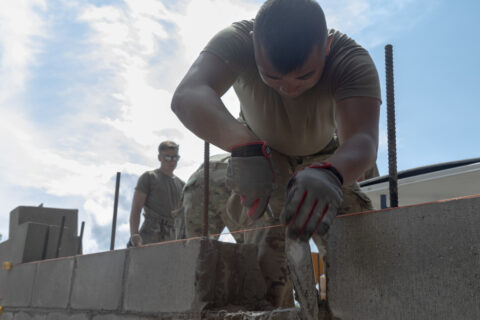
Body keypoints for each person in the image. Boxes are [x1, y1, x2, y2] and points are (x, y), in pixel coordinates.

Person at [171, 0, 381, 308]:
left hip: (323, 163)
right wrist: (243, 146)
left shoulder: (350, 58)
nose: (289, 88)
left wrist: (332, 173)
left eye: (304, 77)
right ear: (253, 44)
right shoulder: (237, 39)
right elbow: (188, 94)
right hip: (259, 155)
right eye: (272, 78)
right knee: (203, 190)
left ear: (327, 47)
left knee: (362, 248)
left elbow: (363, 139)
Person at [128, 141, 185, 247]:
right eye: (167, 158)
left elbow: (184, 216)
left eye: (175, 158)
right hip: (151, 234)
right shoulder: (150, 177)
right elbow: (136, 208)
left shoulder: (182, 185)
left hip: (173, 237)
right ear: (159, 157)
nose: (172, 162)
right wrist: (134, 235)